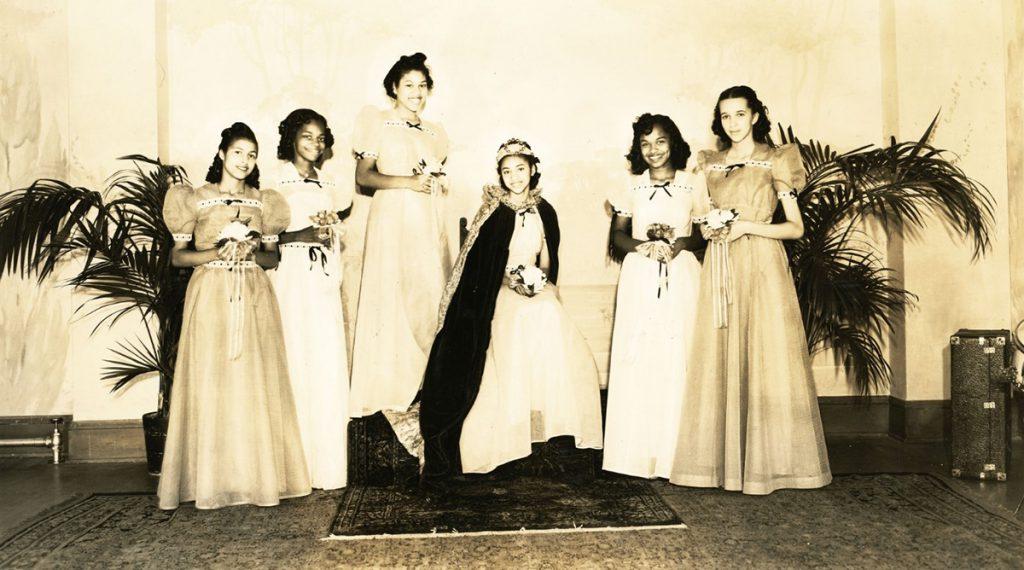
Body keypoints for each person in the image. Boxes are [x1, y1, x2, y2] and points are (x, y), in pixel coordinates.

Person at [669, 86, 832, 495]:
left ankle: (769, 467)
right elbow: (700, 220)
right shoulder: (709, 165)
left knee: (765, 355)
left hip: (762, 264)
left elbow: (795, 227)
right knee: (722, 355)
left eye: (740, 114)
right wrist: (712, 228)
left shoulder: (776, 160)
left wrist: (746, 227)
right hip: (722, 265)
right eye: (725, 116)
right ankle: (726, 467)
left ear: (756, 115)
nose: (733, 123)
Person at [419, 138, 603, 482]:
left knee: (549, 314)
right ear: (500, 176)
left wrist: (537, 280)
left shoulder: (544, 210)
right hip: (499, 289)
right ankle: (509, 424)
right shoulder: (493, 211)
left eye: (521, 169)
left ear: (533, 169)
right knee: (516, 320)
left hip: (534, 286)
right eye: (507, 171)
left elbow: (548, 261)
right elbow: (483, 266)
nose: (515, 177)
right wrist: (510, 281)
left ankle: (550, 425)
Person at [158, 122, 310, 509]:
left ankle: (252, 479)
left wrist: (249, 253)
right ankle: (212, 481)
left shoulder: (265, 202)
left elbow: (272, 258)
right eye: (239, 152)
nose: (245, 161)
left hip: (254, 294)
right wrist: (217, 253)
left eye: (252, 154)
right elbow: (178, 257)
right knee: (214, 381)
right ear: (223, 154)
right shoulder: (196, 198)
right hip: (210, 293)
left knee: (251, 383)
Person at [348, 54, 451, 454]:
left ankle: (425, 384)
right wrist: (407, 182)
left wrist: (431, 186)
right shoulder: (376, 122)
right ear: (394, 88)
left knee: (426, 294)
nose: (416, 93)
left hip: (425, 222)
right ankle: (390, 383)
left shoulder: (434, 132)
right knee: (392, 295)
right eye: (409, 85)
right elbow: (364, 177)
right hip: (392, 218)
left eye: (422, 86)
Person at [602, 114, 705, 479]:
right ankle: (638, 452)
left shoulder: (694, 184)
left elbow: (703, 233)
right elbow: (618, 236)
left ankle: (678, 453)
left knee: (680, 354)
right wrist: (644, 246)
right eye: (645, 143)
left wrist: (678, 244)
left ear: (673, 143)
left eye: (660, 141)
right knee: (642, 354)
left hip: (681, 275)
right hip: (641, 276)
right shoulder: (630, 186)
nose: (653, 150)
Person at [269, 108, 352, 490]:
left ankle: (327, 467)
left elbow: (332, 233)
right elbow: (266, 241)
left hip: (321, 280)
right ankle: (294, 467)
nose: (315, 144)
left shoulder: (329, 184)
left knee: (325, 360)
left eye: (321, 138)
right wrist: (301, 235)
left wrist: (329, 236)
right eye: (307, 136)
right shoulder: (275, 182)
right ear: (292, 138)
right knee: (295, 357)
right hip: (289, 277)